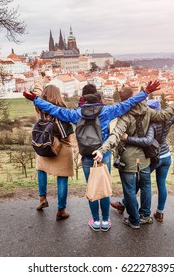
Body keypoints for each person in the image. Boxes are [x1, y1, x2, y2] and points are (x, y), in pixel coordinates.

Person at [23, 81, 161, 232]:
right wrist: (145, 91)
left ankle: (96, 221)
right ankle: (106, 221)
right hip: (103, 154)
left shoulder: (76, 114)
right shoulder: (107, 111)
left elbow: (54, 109)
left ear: (83, 98)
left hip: (87, 156)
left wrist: (36, 100)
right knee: (104, 187)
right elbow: (127, 104)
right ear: (97, 96)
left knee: (93, 188)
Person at [93, 88, 174, 229]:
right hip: (143, 158)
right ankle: (145, 216)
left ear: (123, 101)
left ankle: (134, 220)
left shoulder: (125, 116)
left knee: (130, 190)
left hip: (128, 159)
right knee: (145, 186)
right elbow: (165, 115)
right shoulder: (147, 110)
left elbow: (115, 135)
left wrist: (102, 150)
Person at [111, 100, 174, 222]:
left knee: (140, 182)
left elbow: (147, 141)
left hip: (154, 157)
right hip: (166, 155)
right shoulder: (167, 120)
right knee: (161, 184)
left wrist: (128, 138)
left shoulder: (150, 124)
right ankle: (160, 212)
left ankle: (124, 205)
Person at [32, 85, 75, 221]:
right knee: (62, 178)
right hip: (61, 147)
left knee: (41, 170)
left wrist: (37, 81)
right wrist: (77, 148)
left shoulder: (40, 108)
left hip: (45, 144)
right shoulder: (62, 110)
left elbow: (36, 94)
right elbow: (69, 134)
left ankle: (42, 198)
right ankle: (61, 210)